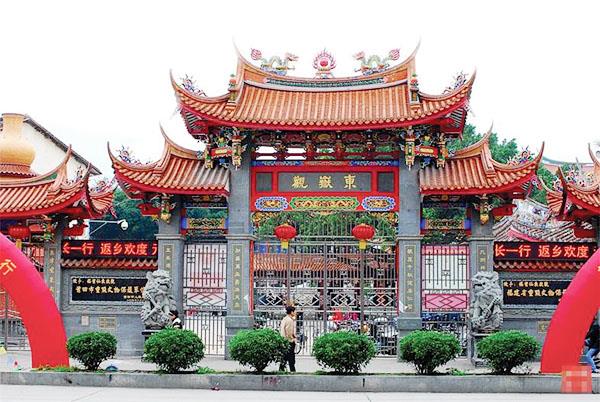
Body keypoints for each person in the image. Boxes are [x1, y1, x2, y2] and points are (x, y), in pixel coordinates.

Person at [279, 305, 296, 372]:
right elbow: (289, 331)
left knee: (285, 357)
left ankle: (281, 369)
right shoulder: (290, 320)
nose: (295, 313)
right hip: (289, 341)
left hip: (284, 340)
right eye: (294, 311)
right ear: (291, 312)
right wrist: (293, 338)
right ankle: (292, 371)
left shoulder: (285, 319)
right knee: (291, 357)